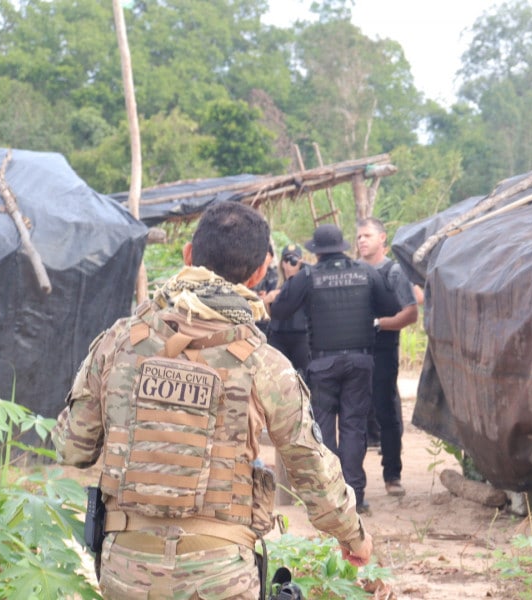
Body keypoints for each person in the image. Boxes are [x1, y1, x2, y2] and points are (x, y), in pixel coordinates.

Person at [52, 202, 371, 600]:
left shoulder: (118, 342)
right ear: (257, 275)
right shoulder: (264, 364)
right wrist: (352, 536)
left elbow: (72, 447)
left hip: (127, 571)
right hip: (219, 575)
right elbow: (311, 470)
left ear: (188, 255)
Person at [267, 223, 400, 513]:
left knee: (325, 427)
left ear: (316, 251)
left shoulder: (307, 276)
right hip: (360, 361)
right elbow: (390, 306)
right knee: (354, 426)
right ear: (343, 247)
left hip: (323, 363)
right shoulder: (366, 272)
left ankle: (330, 496)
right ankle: (355, 496)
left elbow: (278, 311)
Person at [356, 217, 419, 497]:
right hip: (354, 350)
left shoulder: (393, 272)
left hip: (383, 350)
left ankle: (392, 476)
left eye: (367, 235)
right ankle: (351, 480)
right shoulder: (352, 270)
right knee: (353, 414)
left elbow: (410, 313)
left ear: (382, 238)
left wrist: (379, 323)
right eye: (358, 236)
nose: (362, 241)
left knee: (387, 414)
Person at [265, 244, 311, 378]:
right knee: (277, 376)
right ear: (281, 263)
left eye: (294, 259)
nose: (289, 263)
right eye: (286, 259)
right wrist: (267, 300)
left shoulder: (307, 283)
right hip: (278, 335)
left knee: (304, 376)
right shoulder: (275, 283)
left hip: (301, 336)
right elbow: (268, 316)